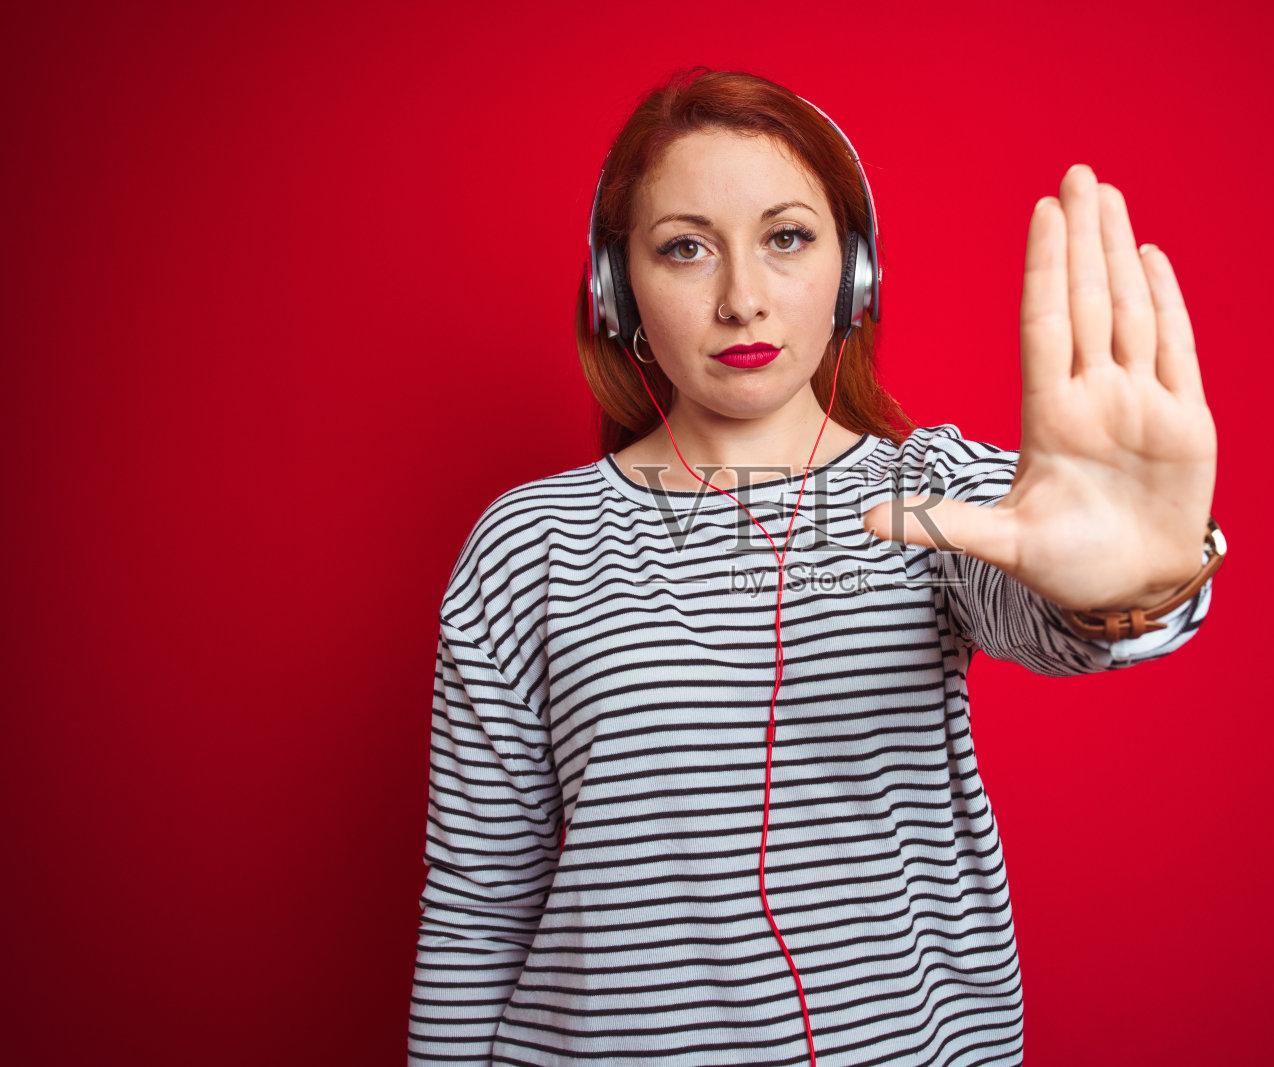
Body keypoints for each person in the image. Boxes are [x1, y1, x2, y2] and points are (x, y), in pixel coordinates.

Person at [408, 67, 1222, 1067]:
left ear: (854, 274)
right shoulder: (529, 542)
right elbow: (478, 902)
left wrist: (1139, 583)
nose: (742, 299)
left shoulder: (934, 496)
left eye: (786, 237)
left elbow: (1052, 603)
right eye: (685, 247)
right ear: (617, 292)